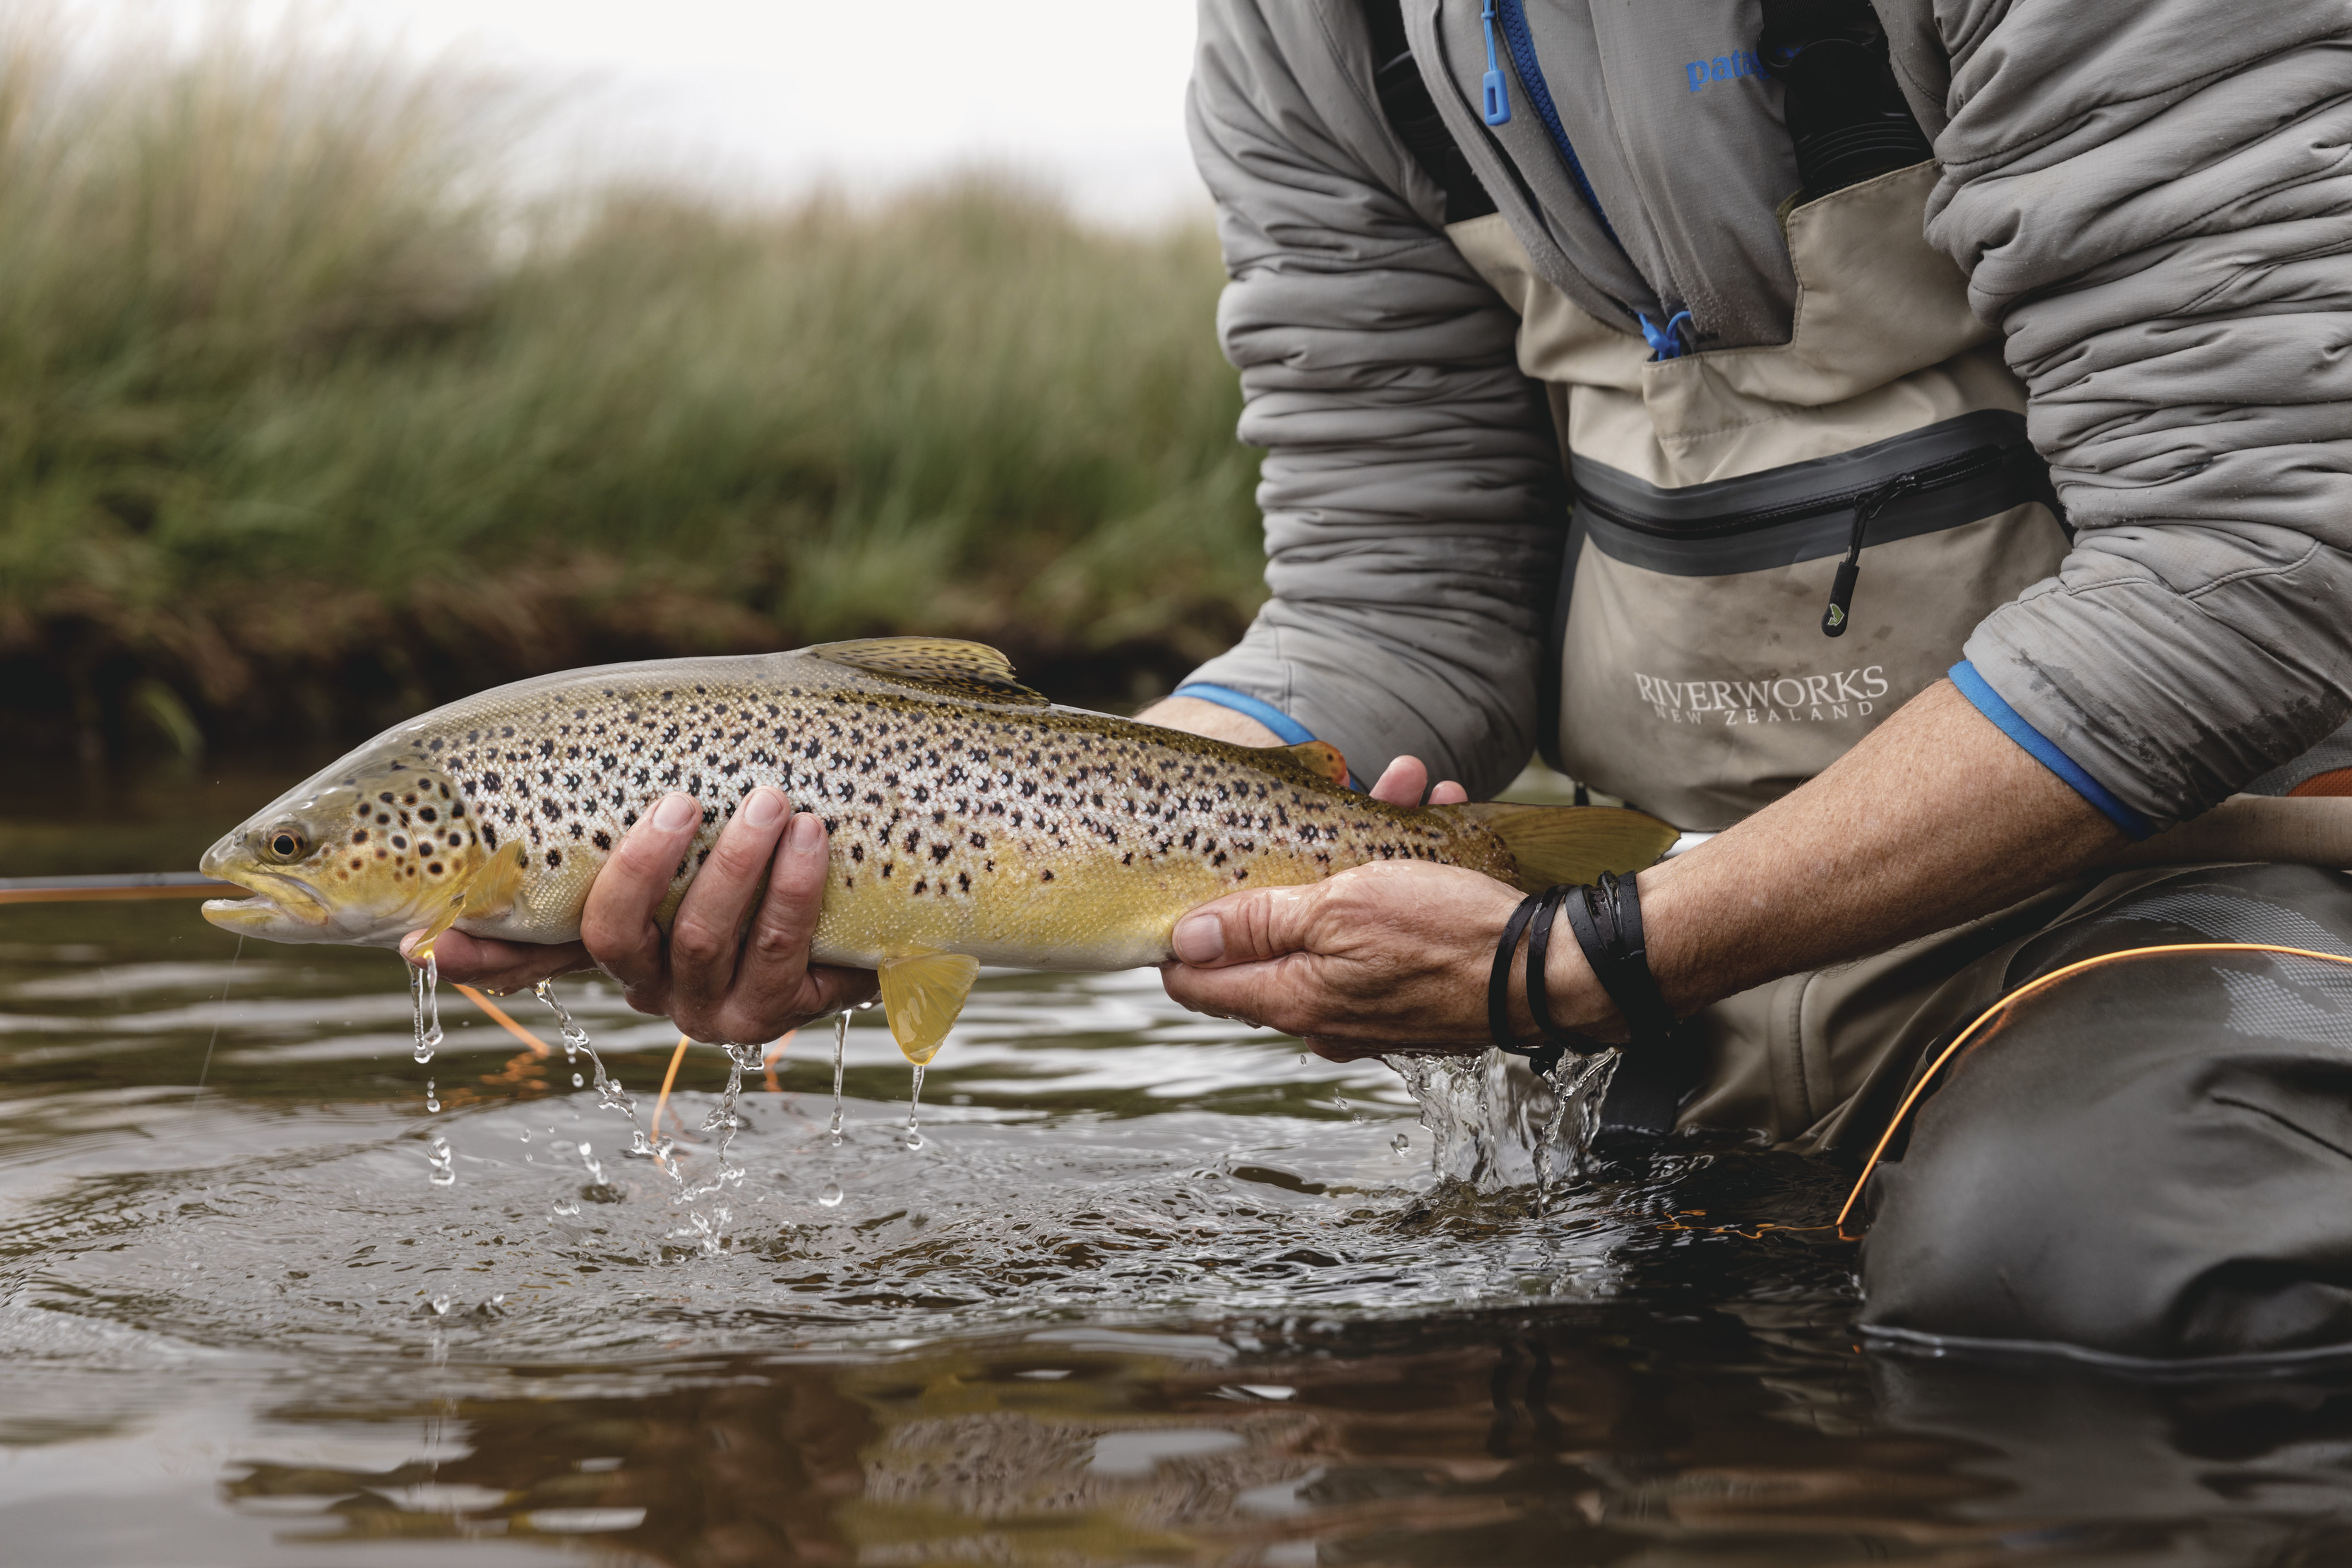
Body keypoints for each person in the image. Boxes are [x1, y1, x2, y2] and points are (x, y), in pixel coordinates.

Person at [417, 0, 2352, 1362]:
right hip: (1664, 937)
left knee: (2104, 1274)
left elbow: (2260, 558)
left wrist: (1571, 962)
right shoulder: (1310, 30)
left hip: (2210, 896)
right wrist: (931, 853)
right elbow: (1395, 604)